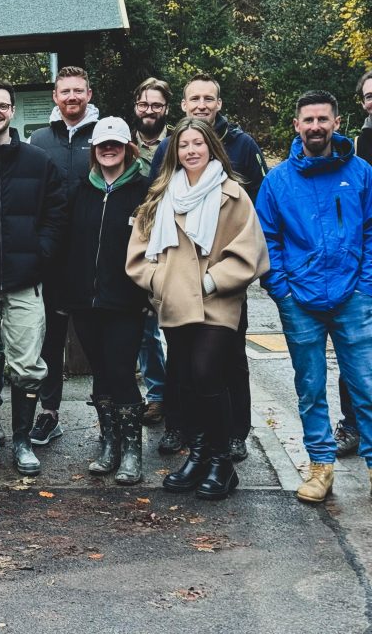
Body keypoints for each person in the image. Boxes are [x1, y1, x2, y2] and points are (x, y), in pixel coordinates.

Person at [127, 118, 268, 500]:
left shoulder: (232, 194)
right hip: (174, 300)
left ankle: (221, 462)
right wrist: (162, 283)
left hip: (217, 301)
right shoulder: (160, 196)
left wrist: (209, 282)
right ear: (175, 152)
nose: (191, 150)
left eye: (198, 144)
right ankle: (199, 454)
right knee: (187, 379)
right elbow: (138, 256)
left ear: (211, 148)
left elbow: (251, 252)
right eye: (183, 145)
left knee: (208, 373)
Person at [256, 90, 372, 503]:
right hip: (300, 301)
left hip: (352, 297)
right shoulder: (278, 181)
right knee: (309, 387)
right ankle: (320, 467)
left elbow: (371, 230)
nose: (316, 127)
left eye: (323, 119)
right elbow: (267, 239)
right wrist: (282, 291)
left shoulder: (361, 173)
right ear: (297, 126)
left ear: (337, 123)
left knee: (366, 384)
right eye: (309, 120)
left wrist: (365, 285)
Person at [149, 74, 268, 462]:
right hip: (177, 287)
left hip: (220, 289)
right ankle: (182, 430)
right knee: (182, 363)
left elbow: (250, 219)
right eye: (193, 98)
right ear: (182, 105)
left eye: (208, 98)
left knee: (227, 360)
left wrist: (215, 279)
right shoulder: (166, 151)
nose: (201, 104)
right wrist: (159, 281)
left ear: (218, 103)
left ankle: (232, 435)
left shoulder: (242, 148)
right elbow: (148, 223)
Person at [0, 80, 65, 477]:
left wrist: (40, 253)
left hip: (25, 281)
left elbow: (57, 212)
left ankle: (21, 441)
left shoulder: (38, 161)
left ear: (12, 110)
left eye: (2, 106)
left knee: (26, 364)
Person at [61, 117, 150, 484]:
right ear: (94, 150)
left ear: (128, 147)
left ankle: (132, 451)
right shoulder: (80, 190)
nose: (108, 149)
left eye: (116, 143)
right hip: (85, 302)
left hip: (126, 301)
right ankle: (109, 444)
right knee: (100, 374)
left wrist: (148, 292)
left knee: (121, 371)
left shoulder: (145, 192)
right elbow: (67, 245)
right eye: (102, 145)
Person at [28, 66, 100, 447]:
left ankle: (108, 416)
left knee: (97, 341)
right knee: (49, 341)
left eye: (78, 90)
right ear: (55, 96)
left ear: (89, 94)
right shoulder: (39, 139)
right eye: (64, 91)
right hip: (52, 259)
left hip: (93, 258)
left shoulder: (106, 135)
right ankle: (48, 411)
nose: (71, 97)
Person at [334, 69, 372, 458]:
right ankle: (352, 426)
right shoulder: (361, 144)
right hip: (363, 269)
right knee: (356, 357)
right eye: (368, 96)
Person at [131, 79, 171, 431]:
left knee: (177, 325)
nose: (149, 111)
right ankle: (157, 395)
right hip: (137, 246)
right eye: (144, 104)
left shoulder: (177, 144)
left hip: (172, 245)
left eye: (156, 105)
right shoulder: (122, 144)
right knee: (146, 330)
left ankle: (182, 397)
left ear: (166, 109)